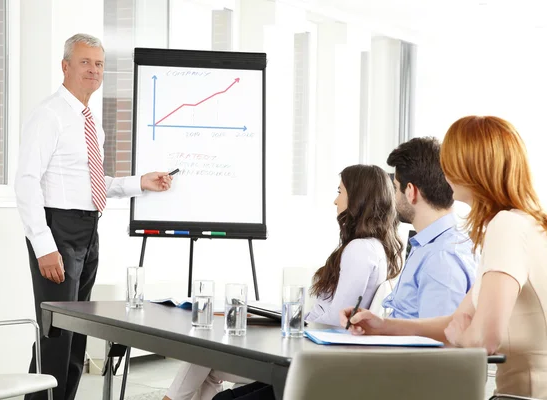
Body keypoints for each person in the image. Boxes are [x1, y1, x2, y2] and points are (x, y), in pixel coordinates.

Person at [341, 116, 547, 399]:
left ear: (469, 167)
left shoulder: (506, 227)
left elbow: (484, 338)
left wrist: (462, 336)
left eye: (450, 161)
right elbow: (458, 318)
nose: (444, 171)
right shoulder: (524, 225)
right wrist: (384, 326)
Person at [14, 33, 172, 400]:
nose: (93, 70)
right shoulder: (49, 115)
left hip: (88, 229)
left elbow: (92, 183)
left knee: (76, 336)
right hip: (57, 230)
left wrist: (140, 182)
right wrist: (43, 245)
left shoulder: (90, 120)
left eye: (99, 64)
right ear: (65, 66)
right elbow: (25, 183)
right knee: (55, 336)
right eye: (85, 62)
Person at [164, 164, 403, 400]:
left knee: (205, 356)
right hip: (309, 349)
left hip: (307, 359)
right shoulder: (373, 247)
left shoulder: (359, 250)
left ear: (359, 198)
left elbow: (335, 322)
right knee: (206, 364)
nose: (335, 200)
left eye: (340, 192)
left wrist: (289, 321)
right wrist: (279, 315)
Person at [382, 137, 477, 319]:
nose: (393, 198)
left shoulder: (441, 257)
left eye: (395, 188)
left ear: (410, 191)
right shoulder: (431, 246)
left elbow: (436, 343)